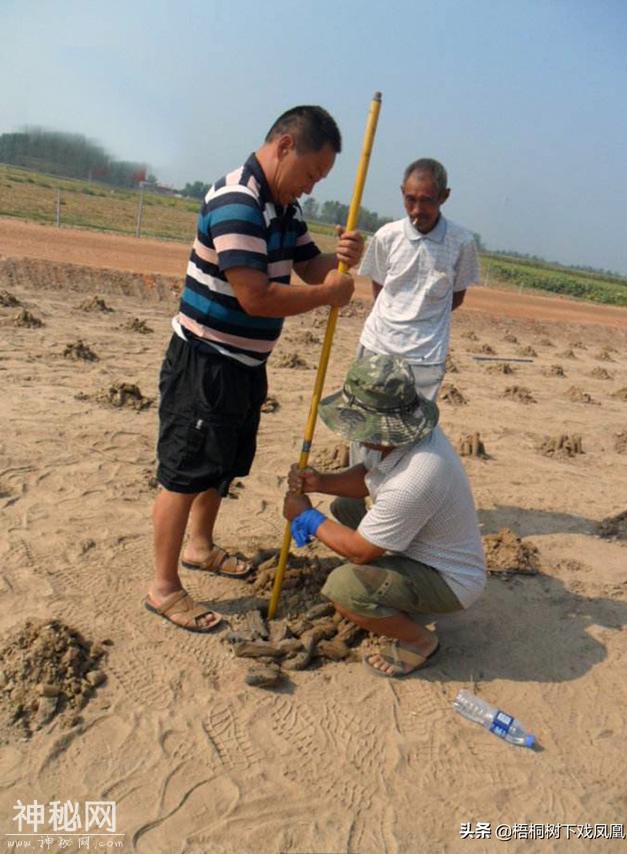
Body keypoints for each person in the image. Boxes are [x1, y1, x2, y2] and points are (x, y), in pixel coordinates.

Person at [145, 105, 364, 632]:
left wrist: (341, 263)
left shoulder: (283, 208)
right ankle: (164, 587)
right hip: (205, 362)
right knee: (183, 471)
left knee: (219, 464)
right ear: (285, 146)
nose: (311, 187)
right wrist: (325, 295)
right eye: (311, 173)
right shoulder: (237, 200)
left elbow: (310, 266)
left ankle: (200, 548)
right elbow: (255, 297)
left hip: (243, 365)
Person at [283, 354, 486, 678]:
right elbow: (368, 475)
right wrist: (320, 482)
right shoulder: (402, 438)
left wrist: (306, 517)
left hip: (450, 580)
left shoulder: (415, 477)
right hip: (420, 549)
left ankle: (421, 642)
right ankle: (391, 590)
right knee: (344, 507)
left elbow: (360, 551)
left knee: (345, 588)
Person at [357, 157, 480, 401]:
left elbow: (456, 298)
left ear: (444, 197)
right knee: (366, 426)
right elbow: (379, 290)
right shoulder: (386, 236)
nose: (416, 210)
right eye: (410, 199)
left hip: (426, 358)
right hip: (377, 346)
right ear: (402, 192)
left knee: (412, 432)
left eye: (426, 201)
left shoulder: (462, 243)